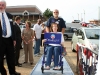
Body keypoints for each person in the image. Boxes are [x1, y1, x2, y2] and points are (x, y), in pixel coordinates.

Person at [0, 0, 21, 75]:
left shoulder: (9, 15)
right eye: (0, 4)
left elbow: (12, 28)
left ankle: (12, 72)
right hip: (1, 40)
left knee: (11, 57)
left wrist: (14, 39)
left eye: (2, 5)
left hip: (9, 40)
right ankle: (3, 72)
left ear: (5, 6)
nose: (1, 6)